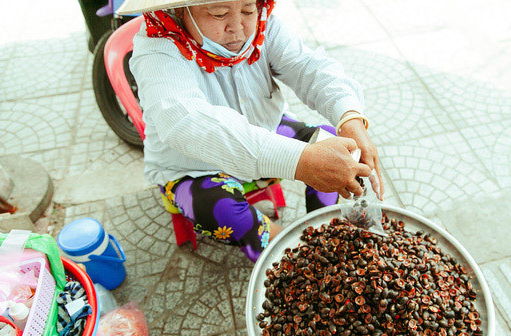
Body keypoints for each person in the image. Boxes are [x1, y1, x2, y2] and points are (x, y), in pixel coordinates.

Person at [117, 0, 384, 261]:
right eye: (219, 13)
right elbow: (187, 123)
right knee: (221, 211)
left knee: (336, 147)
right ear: (178, 9)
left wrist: (349, 117)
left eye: (248, 9)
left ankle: (324, 230)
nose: (238, 27)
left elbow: (309, 68)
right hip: (193, 165)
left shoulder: (266, 26)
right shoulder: (156, 49)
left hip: (264, 130)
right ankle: (290, 251)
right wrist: (300, 161)